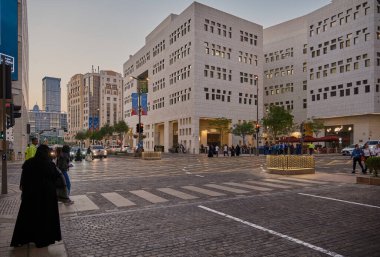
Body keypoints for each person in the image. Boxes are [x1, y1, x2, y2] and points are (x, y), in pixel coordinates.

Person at [10, 145, 62, 248]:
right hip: (46, 196)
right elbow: (56, 177)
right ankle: (43, 239)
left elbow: (24, 180)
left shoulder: (29, 163)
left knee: (29, 216)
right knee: (45, 217)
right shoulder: (49, 164)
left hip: (31, 195)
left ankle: (25, 238)